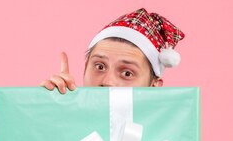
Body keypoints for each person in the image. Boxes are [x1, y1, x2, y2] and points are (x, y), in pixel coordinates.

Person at [40, 8, 185, 93]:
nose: (108, 82)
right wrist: (53, 110)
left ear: (154, 86)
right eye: (100, 66)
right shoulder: (64, 120)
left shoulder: (171, 140)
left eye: (127, 73)